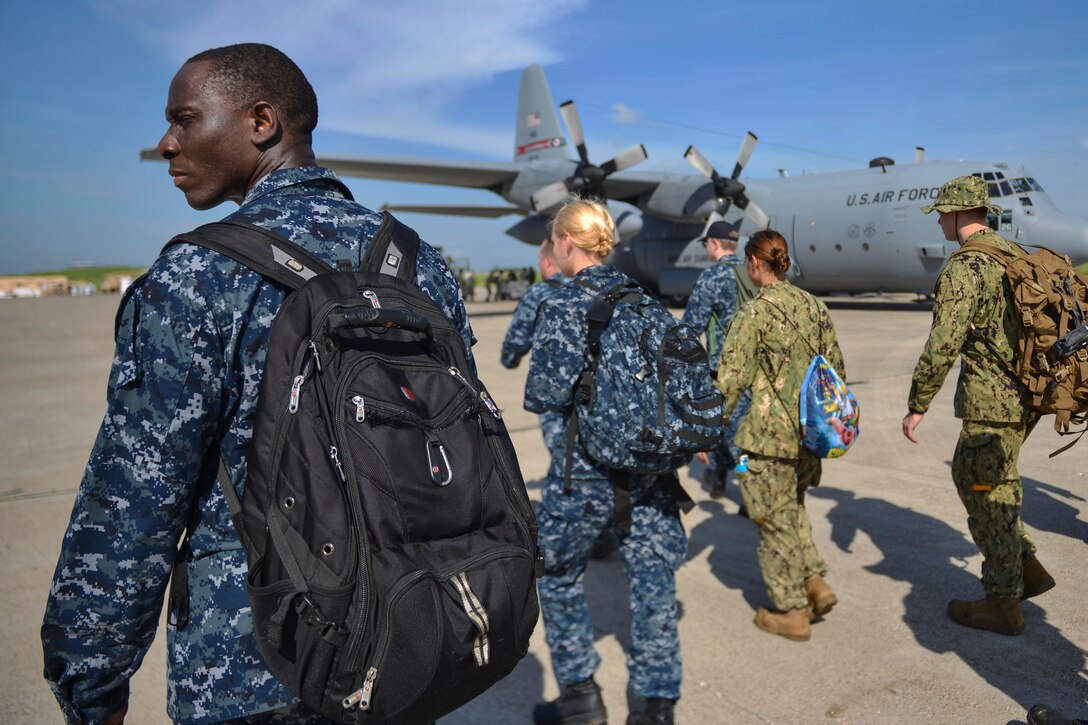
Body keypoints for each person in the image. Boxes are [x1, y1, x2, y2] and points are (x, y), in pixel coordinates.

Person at [41, 43, 474, 724]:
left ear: (262, 121)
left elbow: (132, 504)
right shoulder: (421, 265)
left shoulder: (197, 276)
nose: (166, 143)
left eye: (185, 119)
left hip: (253, 668)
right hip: (408, 643)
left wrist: (90, 678)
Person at [526, 199, 686, 725]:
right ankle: (657, 709)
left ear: (566, 243)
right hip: (651, 474)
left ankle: (581, 700)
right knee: (654, 587)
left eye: (554, 240)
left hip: (586, 477)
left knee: (556, 574)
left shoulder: (562, 306)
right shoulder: (648, 303)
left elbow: (545, 393)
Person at [902, 175, 1054, 636]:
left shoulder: (965, 268)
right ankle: (1024, 566)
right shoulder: (1014, 254)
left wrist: (918, 402)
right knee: (991, 480)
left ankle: (1003, 600)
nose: (941, 223)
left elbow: (943, 343)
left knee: (985, 487)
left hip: (993, 403)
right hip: (1027, 396)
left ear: (955, 213)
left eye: (942, 215)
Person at [713, 229, 844, 642]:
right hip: (810, 438)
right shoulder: (815, 307)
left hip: (764, 444)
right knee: (791, 510)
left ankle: (790, 610)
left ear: (755, 263)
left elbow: (730, 383)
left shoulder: (753, 314)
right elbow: (836, 370)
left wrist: (706, 434)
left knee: (770, 520)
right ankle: (813, 581)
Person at [682, 221, 749, 501]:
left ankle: (748, 491)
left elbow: (692, 326)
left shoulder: (711, 278)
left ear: (713, 244)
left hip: (724, 369)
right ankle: (725, 478)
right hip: (756, 367)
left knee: (724, 430)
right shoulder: (751, 273)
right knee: (745, 430)